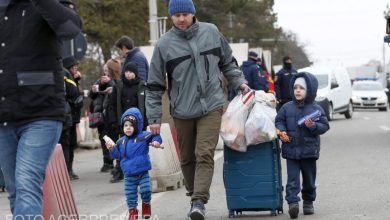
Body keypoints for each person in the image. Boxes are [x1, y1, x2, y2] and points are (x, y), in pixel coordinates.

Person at [145, 0, 249, 219]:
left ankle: (199, 201)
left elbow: (228, 62)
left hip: (212, 105)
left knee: (204, 153)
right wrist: (154, 117)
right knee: (187, 158)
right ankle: (194, 195)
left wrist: (239, 82)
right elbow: (154, 85)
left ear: (193, 13)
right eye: (177, 16)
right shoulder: (164, 45)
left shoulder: (211, 32)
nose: (182, 19)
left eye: (185, 14)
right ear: (171, 18)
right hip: (182, 110)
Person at [0, 0, 82, 218]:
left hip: (41, 113)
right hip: (4, 116)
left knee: (27, 181)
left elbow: (71, 28)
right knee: (16, 190)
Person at [275, 72, 329, 219]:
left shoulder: (316, 109)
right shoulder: (286, 107)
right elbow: (279, 121)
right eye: (295, 87)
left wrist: (313, 126)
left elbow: (325, 126)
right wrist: (282, 132)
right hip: (291, 149)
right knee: (292, 179)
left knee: (309, 179)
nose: (297, 90)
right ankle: (293, 203)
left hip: (309, 150)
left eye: (302, 88)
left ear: (309, 90)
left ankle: (308, 202)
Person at [105, 107, 162, 220]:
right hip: (129, 174)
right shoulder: (121, 142)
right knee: (130, 195)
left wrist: (156, 141)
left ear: (137, 126)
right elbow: (117, 156)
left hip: (142, 172)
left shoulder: (144, 136)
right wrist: (111, 149)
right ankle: (132, 211)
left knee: (146, 190)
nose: (128, 128)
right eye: (125, 125)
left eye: (131, 125)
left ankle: (146, 205)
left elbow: (156, 136)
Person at [108, 61, 147, 183]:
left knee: (137, 149)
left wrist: (146, 121)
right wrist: (114, 121)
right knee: (122, 148)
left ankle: (139, 173)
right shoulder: (119, 86)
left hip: (138, 124)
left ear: (135, 73)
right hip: (123, 124)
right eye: (126, 72)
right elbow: (112, 105)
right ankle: (119, 172)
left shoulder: (142, 86)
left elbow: (146, 105)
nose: (128, 74)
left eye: (131, 72)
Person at [89, 59, 121, 173]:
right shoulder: (100, 80)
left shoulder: (117, 80)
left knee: (113, 138)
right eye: (104, 70)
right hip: (101, 113)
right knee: (104, 138)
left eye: (107, 70)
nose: (106, 73)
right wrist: (93, 90)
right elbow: (91, 95)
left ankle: (116, 162)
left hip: (111, 113)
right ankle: (107, 162)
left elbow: (117, 90)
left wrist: (109, 82)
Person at [60, 62, 83, 180]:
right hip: (65, 114)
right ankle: (67, 171)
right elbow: (76, 96)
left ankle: (66, 171)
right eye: (73, 67)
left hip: (64, 115)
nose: (76, 70)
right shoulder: (64, 73)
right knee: (66, 145)